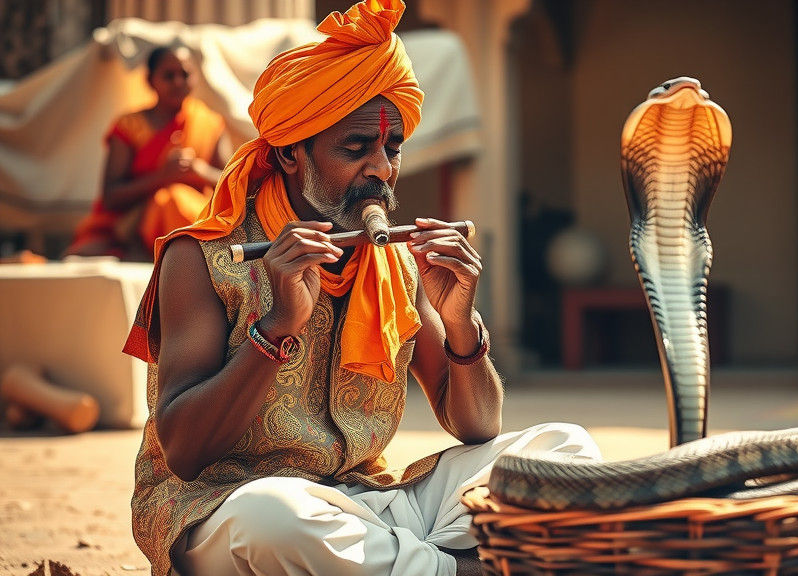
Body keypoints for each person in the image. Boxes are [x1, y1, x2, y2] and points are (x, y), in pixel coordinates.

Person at [124, 2, 600, 575]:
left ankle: (411, 564)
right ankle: (460, 568)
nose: (381, 169)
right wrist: (274, 331)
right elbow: (184, 450)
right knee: (274, 519)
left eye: (392, 148)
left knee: (563, 450)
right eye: (356, 149)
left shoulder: (393, 262)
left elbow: (478, 428)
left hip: (367, 505)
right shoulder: (202, 256)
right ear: (291, 152)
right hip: (227, 508)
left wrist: (460, 326)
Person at [65, 46, 228, 261]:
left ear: (195, 78)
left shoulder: (210, 123)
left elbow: (232, 184)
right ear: (150, 80)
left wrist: (198, 170)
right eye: (169, 76)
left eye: (185, 74)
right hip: (133, 225)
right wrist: (163, 177)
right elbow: (111, 197)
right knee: (169, 199)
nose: (178, 82)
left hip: (200, 220)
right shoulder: (130, 126)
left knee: (174, 199)